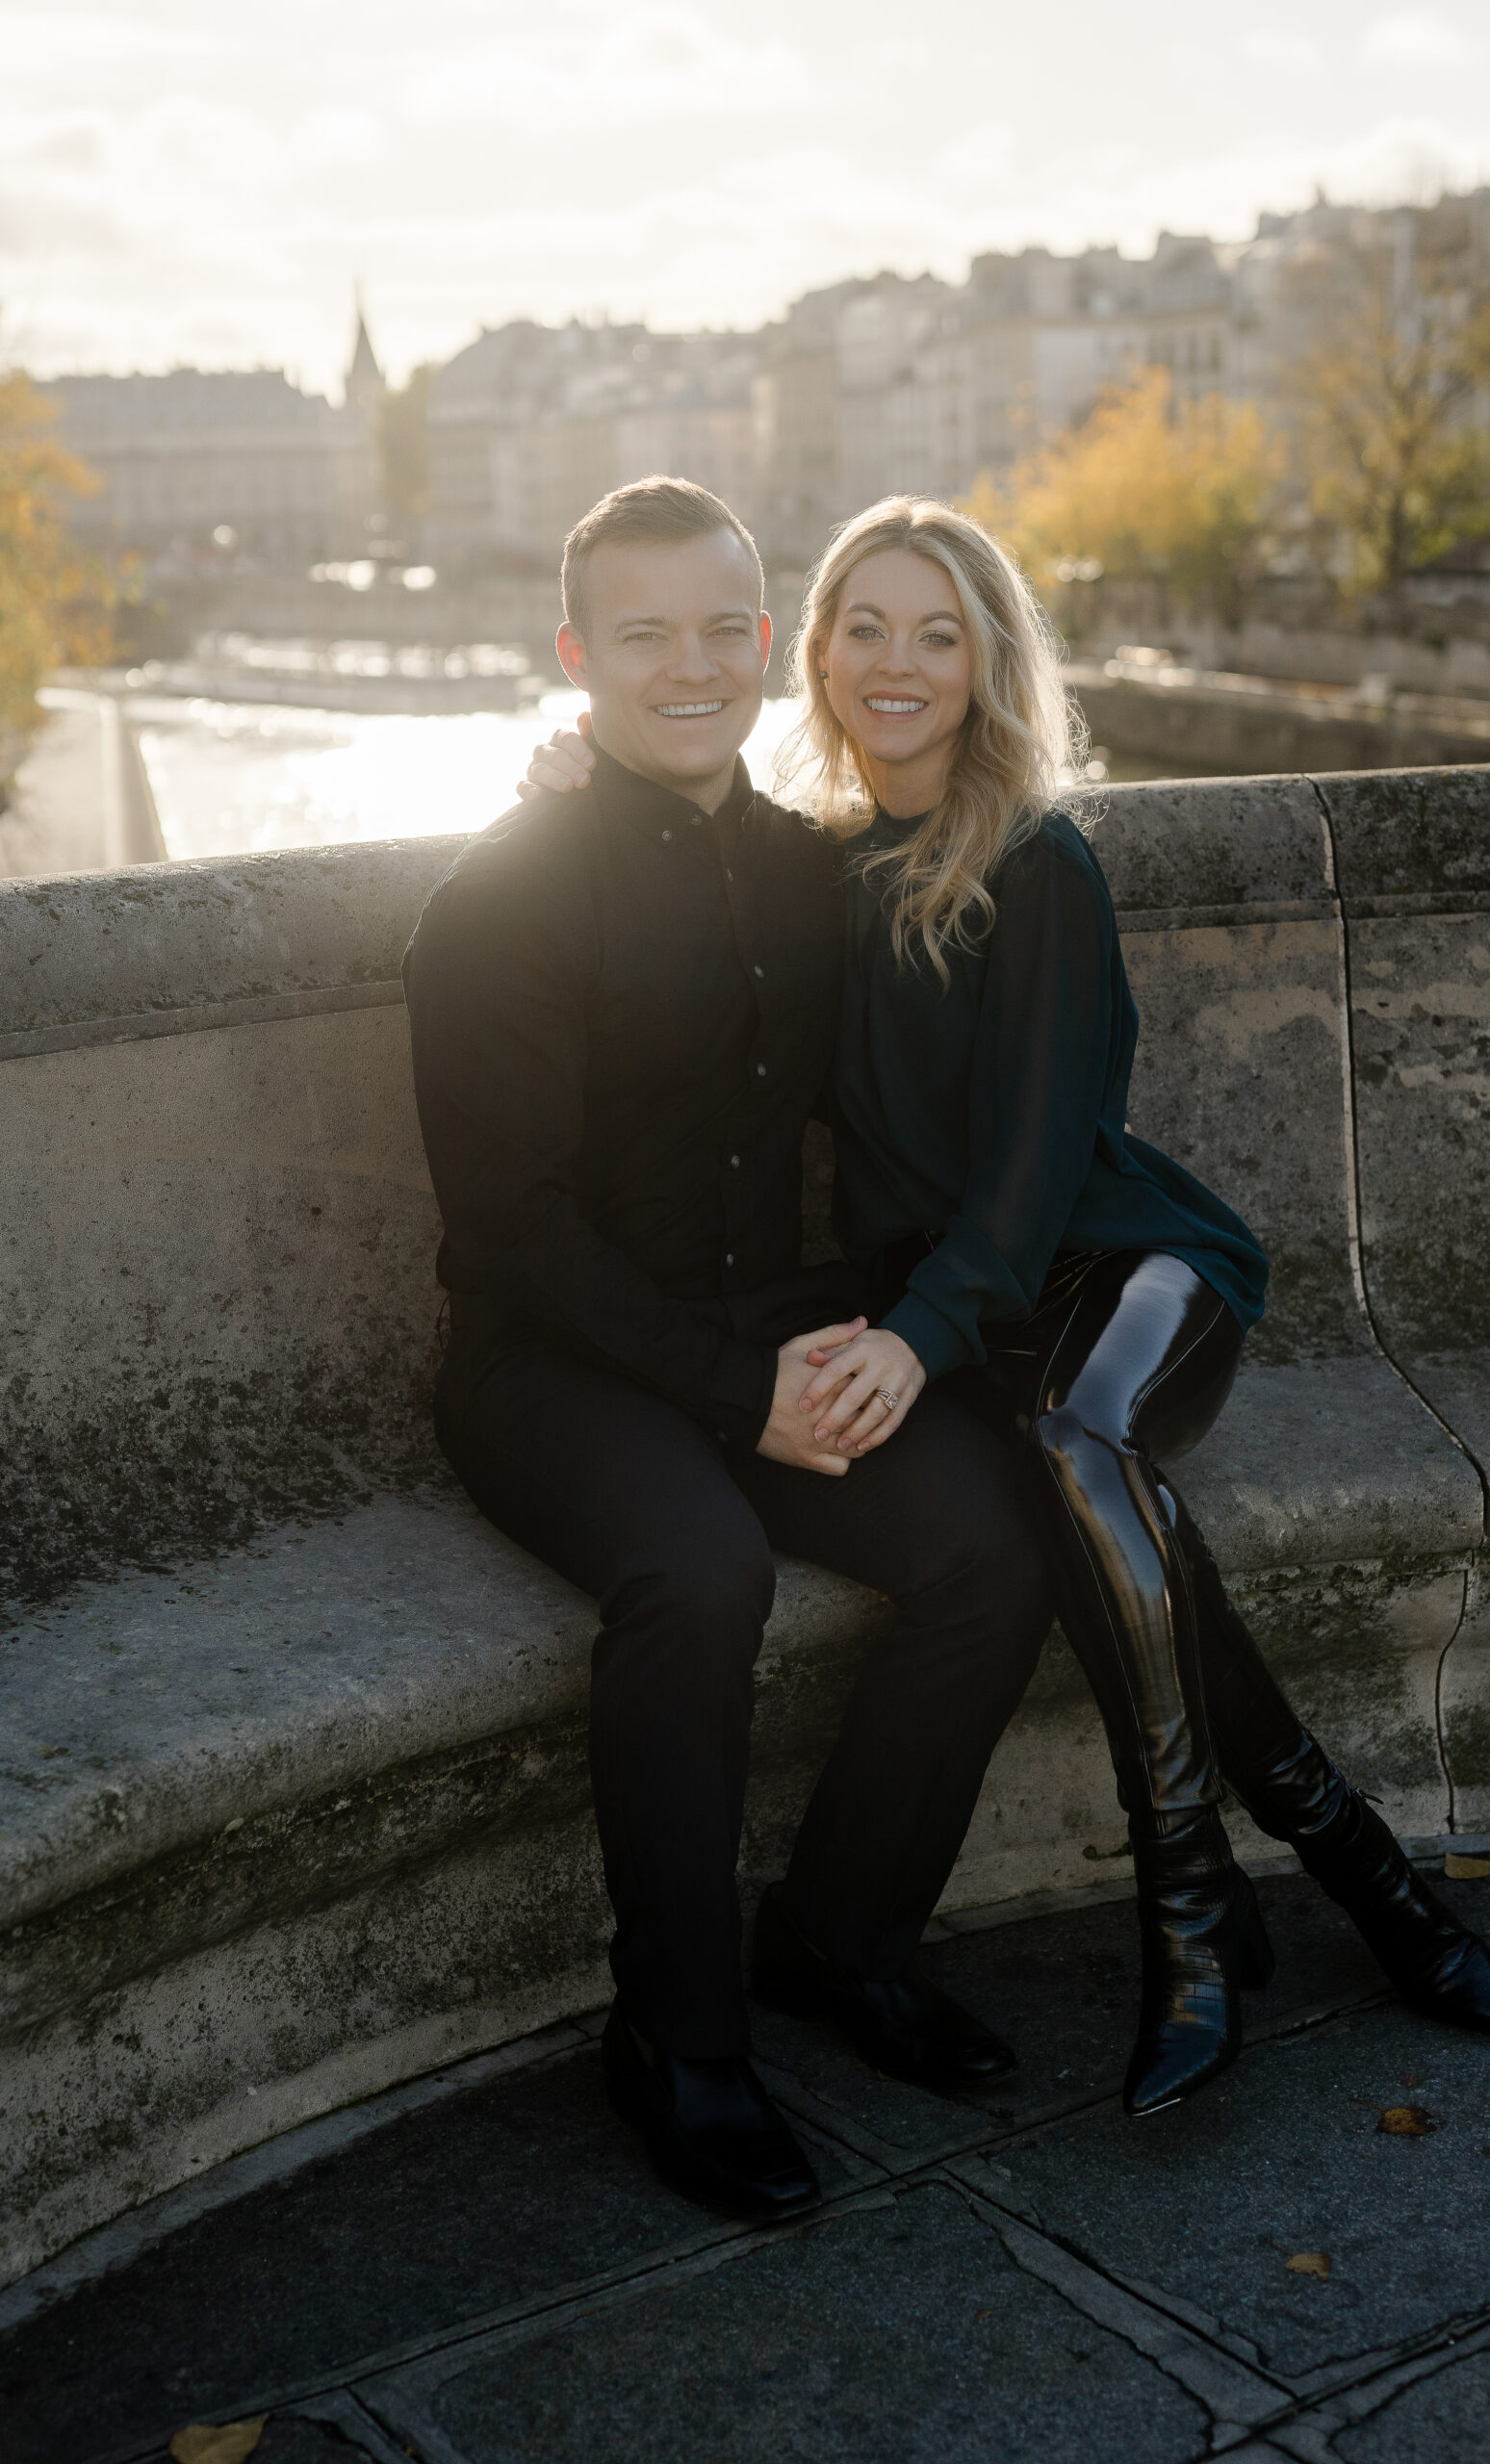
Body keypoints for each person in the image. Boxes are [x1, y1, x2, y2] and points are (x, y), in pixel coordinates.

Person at [524, 492, 1490, 2121]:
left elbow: (1042, 1162)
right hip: (976, 1311)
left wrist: (916, 1338)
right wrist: (565, 769)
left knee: (1073, 1435)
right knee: (1080, 1507)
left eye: (939, 634)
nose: (898, 664)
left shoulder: (1037, 860)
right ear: (818, 654)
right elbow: (660, 845)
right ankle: (1364, 1868)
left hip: (1126, 1271)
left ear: (988, 664)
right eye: (866, 628)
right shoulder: (818, 874)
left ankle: (1188, 1904)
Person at [401, 477, 1057, 2224]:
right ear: (576, 656)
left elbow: (976, 859)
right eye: (644, 635)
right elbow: (509, 1233)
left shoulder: (810, 869)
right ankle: (678, 2041)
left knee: (996, 1540)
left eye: (723, 627)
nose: (690, 665)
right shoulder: (501, 896)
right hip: (548, 1363)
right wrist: (735, 1392)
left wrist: (841, 1355)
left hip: (765, 1325)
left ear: (767, 643)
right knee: (698, 1573)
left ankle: (838, 1939)